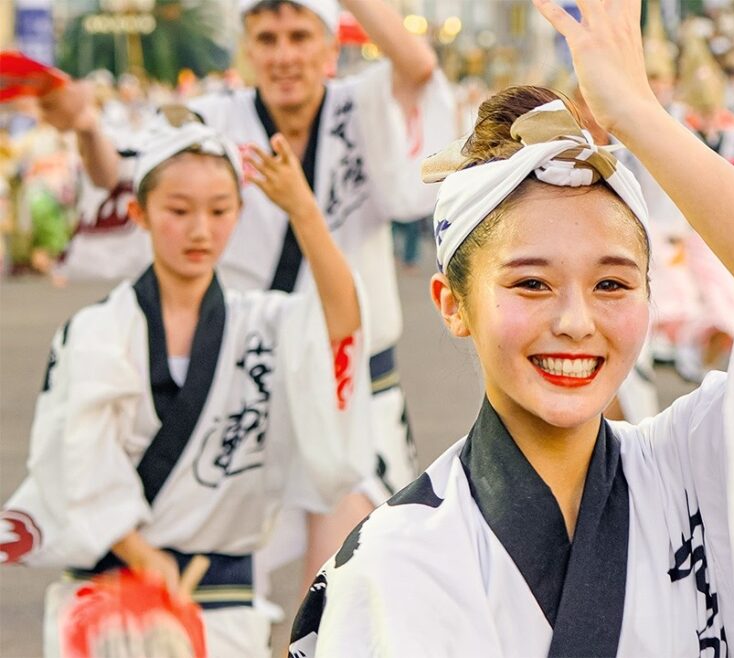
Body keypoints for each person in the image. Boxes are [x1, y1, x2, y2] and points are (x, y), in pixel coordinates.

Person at [288, 1, 734, 656]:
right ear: (453, 304)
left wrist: (638, 118)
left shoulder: (686, 467)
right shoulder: (400, 559)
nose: (575, 322)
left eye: (612, 283)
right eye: (531, 283)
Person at [40, 0, 442, 595]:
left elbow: (418, 67)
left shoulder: (363, 107)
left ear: (329, 47)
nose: (284, 55)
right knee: (218, 572)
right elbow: (122, 175)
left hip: (348, 378)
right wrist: (85, 127)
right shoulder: (212, 117)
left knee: (348, 583)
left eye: (301, 35)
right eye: (267, 37)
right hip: (247, 371)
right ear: (246, 48)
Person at [0, 114, 372, 657]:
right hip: (113, 600)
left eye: (220, 211)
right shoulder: (100, 331)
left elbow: (341, 326)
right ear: (139, 213)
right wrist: (142, 556)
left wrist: (304, 212)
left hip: (222, 602)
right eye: (179, 211)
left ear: (239, 213)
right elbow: (75, 459)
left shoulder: (262, 323)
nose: (201, 229)